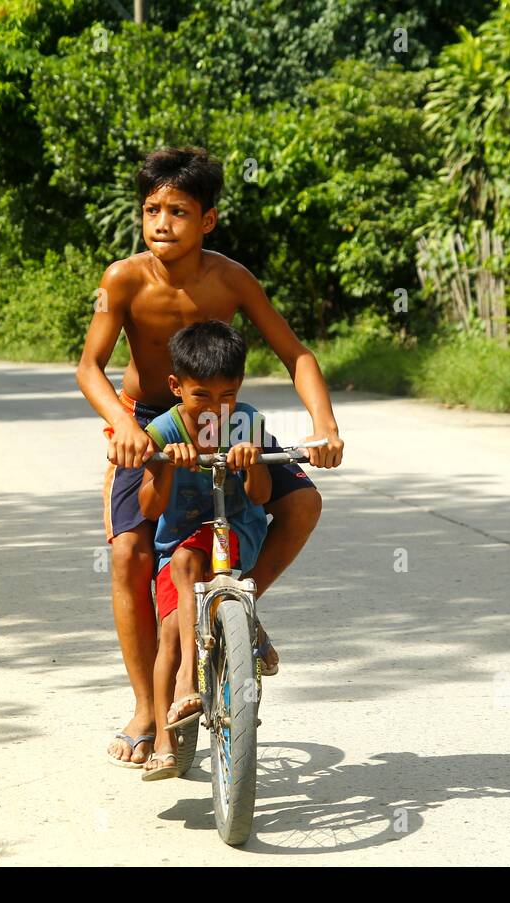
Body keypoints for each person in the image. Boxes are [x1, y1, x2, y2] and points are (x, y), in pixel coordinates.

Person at [75, 146, 344, 769]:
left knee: (303, 502)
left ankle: (240, 604)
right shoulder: (122, 279)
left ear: (209, 220)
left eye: (178, 211)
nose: (161, 223)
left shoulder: (231, 280)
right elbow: (90, 365)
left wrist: (324, 425)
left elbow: (296, 354)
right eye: (151, 209)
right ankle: (146, 707)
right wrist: (122, 426)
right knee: (128, 552)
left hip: (227, 421)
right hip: (151, 426)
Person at [136, 321, 275, 780]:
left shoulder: (247, 421)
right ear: (177, 387)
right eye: (202, 396)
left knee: (187, 560)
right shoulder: (162, 429)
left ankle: (186, 682)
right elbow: (149, 506)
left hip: (234, 534)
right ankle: (162, 739)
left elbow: (258, 497)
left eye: (227, 395)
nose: (216, 408)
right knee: (170, 632)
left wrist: (251, 460)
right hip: (177, 543)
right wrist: (167, 468)